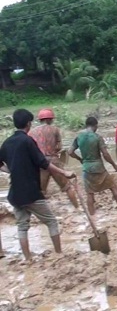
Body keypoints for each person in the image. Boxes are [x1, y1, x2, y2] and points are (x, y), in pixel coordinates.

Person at [0, 109, 76, 261]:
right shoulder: (28, 141)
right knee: (51, 221)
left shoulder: (7, 143)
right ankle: (59, 255)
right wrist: (63, 172)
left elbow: (0, 164)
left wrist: (12, 170)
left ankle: (28, 259)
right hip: (31, 192)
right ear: (28, 123)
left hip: (15, 194)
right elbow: (43, 162)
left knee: (22, 226)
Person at [68, 117, 117, 215]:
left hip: (86, 168)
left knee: (90, 193)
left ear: (86, 125)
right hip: (99, 167)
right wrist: (114, 165)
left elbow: (70, 152)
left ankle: (92, 216)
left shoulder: (79, 137)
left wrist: (80, 159)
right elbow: (105, 154)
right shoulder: (97, 137)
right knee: (113, 187)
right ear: (96, 126)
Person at [29, 108, 78, 208]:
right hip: (54, 161)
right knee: (67, 187)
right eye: (51, 119)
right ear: (48, 119)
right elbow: (59, 147)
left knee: (41, 192)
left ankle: (42, 214)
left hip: (41, 163)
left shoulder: (31, 133)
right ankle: (77, 207)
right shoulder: (55, 130)